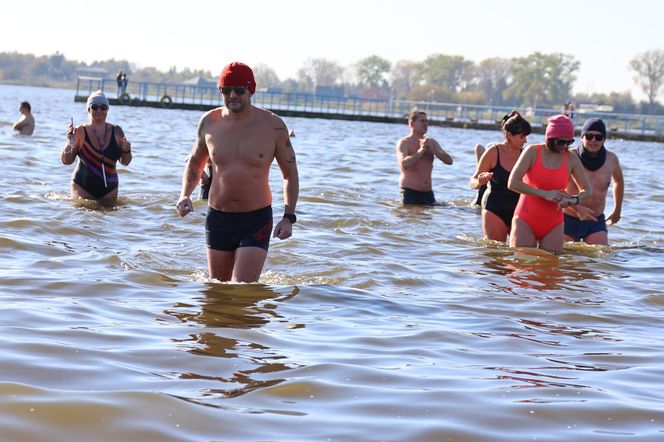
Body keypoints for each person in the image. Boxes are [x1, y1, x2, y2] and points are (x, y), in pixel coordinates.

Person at [175, 61, 299, 283]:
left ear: (251, 90)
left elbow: (289, 173)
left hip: (255, 219)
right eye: (226, 90)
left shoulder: (273, 126)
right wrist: (185, 194)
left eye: (239, 90)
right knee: (218, 291)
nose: (232, 95)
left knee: (241, 288)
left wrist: (288, 217)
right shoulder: (209, 122)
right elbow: (195, 162)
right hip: (218, 218)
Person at [507, 114, 592, 253]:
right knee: (520, 267)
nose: (564, 146)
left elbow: (587, 191)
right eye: (560, 142)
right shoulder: (533, 152)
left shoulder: (571, 158)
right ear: (550, 138)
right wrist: (544, 194)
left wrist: (571, 200)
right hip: (525, 219)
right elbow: (512, 183)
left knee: (551, 271)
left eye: (569, 142)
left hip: (554, 224)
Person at [60, 90, 132, 206]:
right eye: (95, 107)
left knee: (108, 220)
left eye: (103, 107)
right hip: (82, 187)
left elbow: (125, 162)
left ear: (107, 110)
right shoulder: (80, 131)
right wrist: (70, 142)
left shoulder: (117, 131)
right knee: (83, 215)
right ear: (89, 109)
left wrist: (126, 150)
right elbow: (66, 161)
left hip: (110, 191)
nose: (99, 110)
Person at [470, 111, 531, 241]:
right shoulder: (493, 152)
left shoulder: (526, 154)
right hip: (494, 208)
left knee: (521, 253)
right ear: (509, 135)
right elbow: (473, 181)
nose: (525, 140)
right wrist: (480, 181)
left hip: (518, 210)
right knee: (496, 253)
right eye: (522, 137)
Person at [564, 118, 624, 245]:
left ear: (604, 139)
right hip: (568, 217)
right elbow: (556, 187)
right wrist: (578, 209)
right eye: (589, 136)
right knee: (561, 259)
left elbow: (618, 180)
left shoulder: (611, 159)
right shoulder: (569, 156)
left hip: (595, 221)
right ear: (582, 137)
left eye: (598, 137)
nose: (593, 140)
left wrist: (617, 209)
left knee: (599, 258)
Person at [396, 109, 453, 205]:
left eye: (427, 121)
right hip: (410, 193)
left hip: (428, 194)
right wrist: (421, 150)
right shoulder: (404, 142)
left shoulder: (431, 142)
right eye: (422, 121)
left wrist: (434, 150)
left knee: (428, 219)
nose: (425, 124)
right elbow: (404, 163)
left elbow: (449, 161)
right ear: (411, 124)